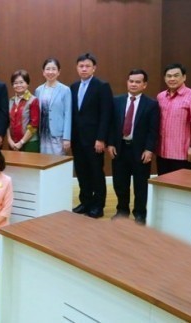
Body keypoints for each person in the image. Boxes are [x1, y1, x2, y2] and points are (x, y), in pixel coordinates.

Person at [107, 69, 159, 224]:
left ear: (144, 85)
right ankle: (122, 210)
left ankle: (140, 214)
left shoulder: (151, 105)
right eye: (131, 81)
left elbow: (153, 130)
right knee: (120, 183)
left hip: (140, 151)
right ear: (127, 82)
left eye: (138, 82)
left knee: (140, 185)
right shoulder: (117, 101)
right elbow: (111, 125)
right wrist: (110, 143)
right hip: (120, 148)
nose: (134, 84)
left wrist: (149, 149)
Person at [70, 53, 113, 219]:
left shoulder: (102, 86)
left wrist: (101, 138)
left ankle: (98, 205)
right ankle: (85, 202)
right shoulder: (73, 87)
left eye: (87, 66)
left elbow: (106, 114)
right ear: (77, 68)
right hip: (77, 139)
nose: (84, 69)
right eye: (81, 66)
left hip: (95, 140)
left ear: (94, 68)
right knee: (81, 172)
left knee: (96, 172)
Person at [156, 63, 191, 175]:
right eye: (169, 76)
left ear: (184, 77)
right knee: (164, 184)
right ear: (164, 78)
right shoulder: (160, 96)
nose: (172, 78)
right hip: (162, 151)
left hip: (182, 153)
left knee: (179, 187)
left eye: (176, 75)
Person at [34, 58, 72, 155]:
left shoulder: (65, 90)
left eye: (54, 69)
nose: (50, 72)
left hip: (58, 136)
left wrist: (66, 138)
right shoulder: (38, 90)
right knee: (44, 163)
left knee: (57, 164)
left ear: (58, 72)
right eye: (48, 69)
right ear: (43, 72)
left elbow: (68, 114)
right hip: (43, 135)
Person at [6, 70, 40, 152]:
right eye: (15, 83)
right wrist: (9, 140)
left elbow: (34, 125)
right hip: (13, 143)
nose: (18, 85)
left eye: (21, 82)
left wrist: (21, 142)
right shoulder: (11, 101)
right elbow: (7, 122)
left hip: (29, 144)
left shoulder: (33, 100)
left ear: (27, 83)